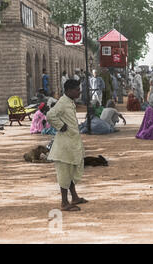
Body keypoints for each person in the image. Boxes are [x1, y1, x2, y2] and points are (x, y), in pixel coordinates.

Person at [46, 79, 88, 212]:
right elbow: (50, 115)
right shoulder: (63, 103)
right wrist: (61, 126)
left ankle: (74, 197)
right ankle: (64, 203)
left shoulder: (70, 102)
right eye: (77, 89)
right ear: (69, 91)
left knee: (70, 171)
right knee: (64, 174)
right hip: (63, 147)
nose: (79, 92)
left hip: (70, 144)